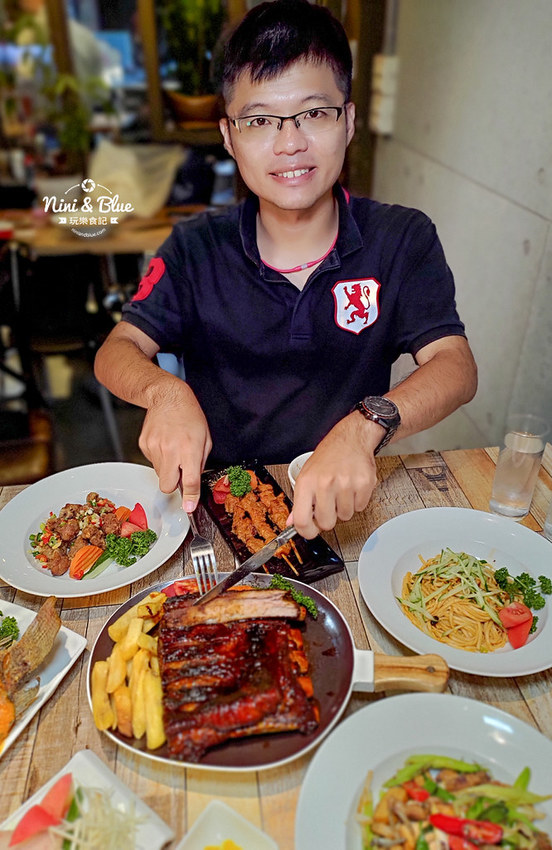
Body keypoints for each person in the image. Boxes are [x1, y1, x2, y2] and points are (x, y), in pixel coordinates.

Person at [94, 0, 477, 540]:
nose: (290, 142)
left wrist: (369, 423)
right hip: (220, 509)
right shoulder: (193, 245)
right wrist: (165, 392)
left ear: (348, 120)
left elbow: (455, 366)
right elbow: (116, 351)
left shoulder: (403, 237)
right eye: (260, 120)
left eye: (314, 113)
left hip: (349, 503)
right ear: (229, 136)